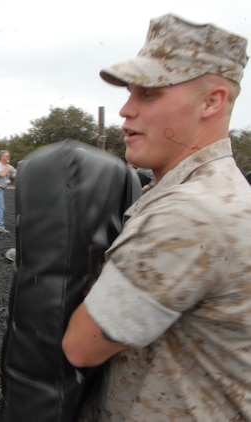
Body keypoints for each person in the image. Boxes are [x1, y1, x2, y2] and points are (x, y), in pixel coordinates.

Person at [62, 14, 250, 420]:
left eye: (148, 95)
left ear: (211, 101)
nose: (125, 111)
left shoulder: (190, 212)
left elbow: (82, 345)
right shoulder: (223, 192)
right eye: (130, 94)